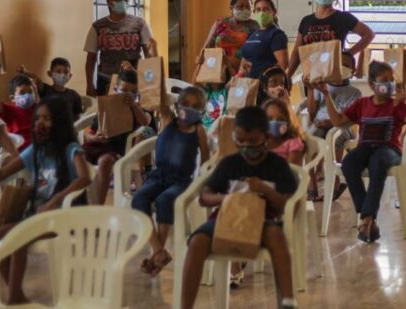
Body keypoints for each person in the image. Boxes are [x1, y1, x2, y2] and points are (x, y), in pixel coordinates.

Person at [0, 97, 91, 305]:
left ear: (59, 122)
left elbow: (85, 176)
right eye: (38, 118)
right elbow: (3, 172)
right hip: (35, 217)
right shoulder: (36, 150)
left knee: (18, 238)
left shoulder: (70, 148)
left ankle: (13, 299)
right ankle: (18, 295)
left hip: (61, 218)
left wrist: (56, 199)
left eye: (47, 119)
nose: (40, 123)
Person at [180, 106, 299, 309]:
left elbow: (287, 206)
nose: (246, 146)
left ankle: (287, 300)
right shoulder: (229, 164)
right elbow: (204, 197)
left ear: (266, 137)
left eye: (253, 141)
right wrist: (225, 198)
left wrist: (266, 191)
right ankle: (185, 305)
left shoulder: (277, 166)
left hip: (262, 220)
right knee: (197, 241)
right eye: (240, 140)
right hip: (224, 219)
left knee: (277, 237)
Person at [319, 61, 406, 243]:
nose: (389, 84)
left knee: (377, 162)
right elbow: (338, 122)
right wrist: (327, 95)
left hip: (389, 150)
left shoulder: (397, 104)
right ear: (373, 85)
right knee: (349, 163)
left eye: (391, 80)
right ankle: (369, 218)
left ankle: (366, 218)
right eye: (384, 80)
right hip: (365, 147)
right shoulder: (362, 103)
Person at [131, 87, 209, 275]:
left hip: (181, 180)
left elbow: (206, 159)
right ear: (176, 105)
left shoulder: (198, 129)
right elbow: (159, 90)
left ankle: (156, 255)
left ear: (202, 111)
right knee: (138, 199)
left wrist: (202, 182)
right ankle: (158, 251)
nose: (190, 109)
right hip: (158, 175)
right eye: (186, 104)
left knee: (165, 200)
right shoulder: (166, 119)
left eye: (196, 106)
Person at [83, 70, 153, 203]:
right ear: (115, 89)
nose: (127, 95)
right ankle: (78, 200)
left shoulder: (134, 109)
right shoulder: (106, 105)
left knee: (105, 162)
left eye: (132, 92)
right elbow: (88, 132)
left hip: (115, 150)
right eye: (124, 90)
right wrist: (94, 138)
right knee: (74, 155)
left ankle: (99, 205)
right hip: (95, 145)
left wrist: (133, 104)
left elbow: (145, 122)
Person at [286, 0, 375, 78]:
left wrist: (348, 54)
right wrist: (288, 75)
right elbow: (296, 52)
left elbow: (369, 34)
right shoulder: (306, 20)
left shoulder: (343, 17)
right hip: (311, 74)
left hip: (333, 74)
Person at [305, 51, 360, 201]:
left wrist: (330, 122)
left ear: (353, 71)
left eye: (346, 65)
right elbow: (311, 110)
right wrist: (311, 89)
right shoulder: (322, 86)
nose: (341, 68)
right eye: (338, 64)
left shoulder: (355, 93)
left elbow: (351, 119)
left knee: (334, 138)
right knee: (309, 140)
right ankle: (312, 184)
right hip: (320, 124)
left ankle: (335, 182)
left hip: (343, 127)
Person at [85, 0, 155, 96]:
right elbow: (91, 58)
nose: (122, 2)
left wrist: (150, 81)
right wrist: (89, 85)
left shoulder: (140, 24)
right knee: (108, 112)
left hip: (133, 81)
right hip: (106, 80)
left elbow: (149, 55)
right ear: (109, 2)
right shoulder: (98, 26)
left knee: (134, 111)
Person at [198, 0, 259, 79]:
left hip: (244, 73)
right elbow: (207, 47)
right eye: (240, 6)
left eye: (248, 7)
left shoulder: (255, 26)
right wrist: (215, 34)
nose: (244, 9)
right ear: (231, 8)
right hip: (220, 71)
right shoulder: (221, 23)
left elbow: (258, 49)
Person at [18, 57, 83, 121]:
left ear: (70, 76)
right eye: (58, 71)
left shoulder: (74, 95)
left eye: (66, 72)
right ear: (50, 74)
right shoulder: (45, 89)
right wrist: (25, 72)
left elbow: (78, 116)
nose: (62, 75)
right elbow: (37, 79)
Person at [239, 0, 289, 79]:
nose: (262, 13)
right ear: (254, 12)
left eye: (266, 9)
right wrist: (239, 75)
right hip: (247, 84)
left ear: (274, 12)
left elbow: (283, 65)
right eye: (258, 10)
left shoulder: (276, 34)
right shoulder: (252, 34)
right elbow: (245, 59)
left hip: (264, 85)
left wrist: (259, 73)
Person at [0, 74, 39, 150]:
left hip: (37, 150)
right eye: (22, 92)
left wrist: (35, 90)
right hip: (18, 151)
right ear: (13, 98)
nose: (27, 95)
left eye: (30, 92)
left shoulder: (37, 109)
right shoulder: (9, 110)